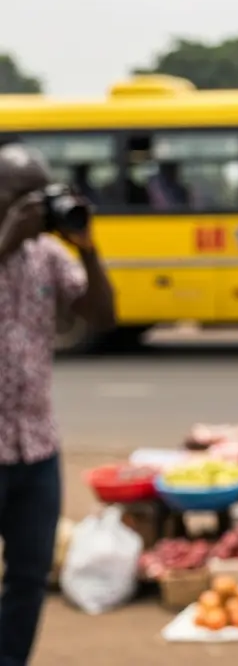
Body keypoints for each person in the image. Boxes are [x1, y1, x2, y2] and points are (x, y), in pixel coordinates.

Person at [0, 144, 115, 665]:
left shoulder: (50, 257)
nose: (35, 208)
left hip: (37, 448)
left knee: (29, 576)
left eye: (40, 196)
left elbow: (102, 315)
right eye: (21, 196)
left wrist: (87, 248)